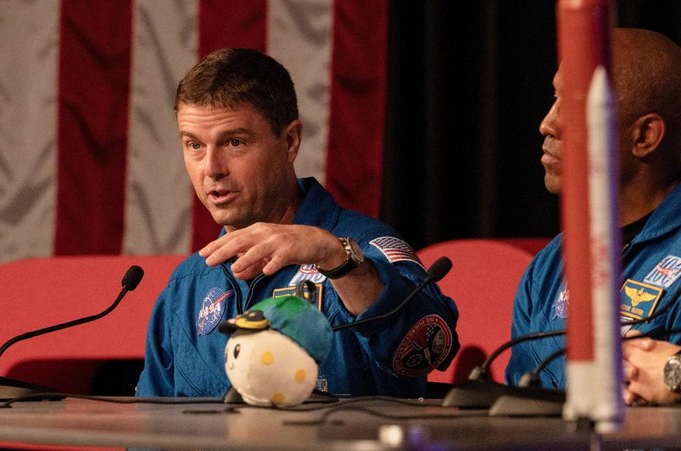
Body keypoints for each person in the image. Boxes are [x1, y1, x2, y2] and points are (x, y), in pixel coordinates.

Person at [135, 48, 460, 399]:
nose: (211, 168)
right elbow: (152, 430)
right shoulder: (186, 287)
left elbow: (430, 348)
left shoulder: (364, 248)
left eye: (234, 142)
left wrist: (336, 259)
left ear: (289, 142)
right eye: (194, 145)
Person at [505, 28, 681, 392]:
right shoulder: (550, 265)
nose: (548, 124)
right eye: (556, 98)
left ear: (644, 136)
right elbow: (518, 404)